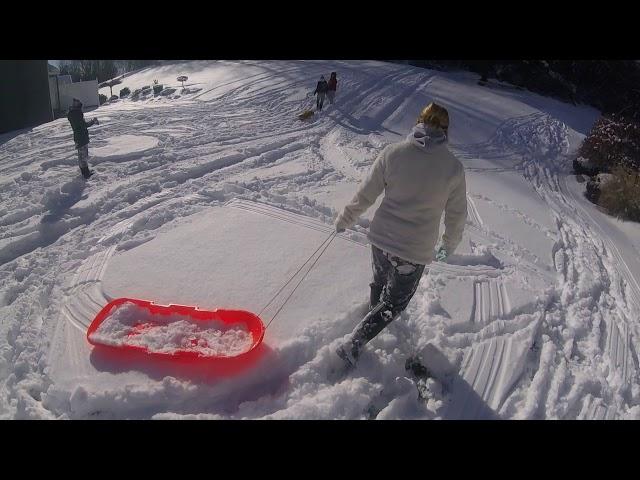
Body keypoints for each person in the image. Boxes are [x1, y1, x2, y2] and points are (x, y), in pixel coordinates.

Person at [333, 102, 467, 367]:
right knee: (394, 303)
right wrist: (448, 245)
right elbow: (456, 215)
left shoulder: (393, 153)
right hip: (413, 251)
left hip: (381, 240)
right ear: (445, 130)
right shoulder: (453, 168)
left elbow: (366, 193)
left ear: (418, 121)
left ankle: (370, 319)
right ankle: (355, 342)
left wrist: (345, 218)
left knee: (379, 283)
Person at [67, 98, 99, 179]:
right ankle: (86, 174)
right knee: (83, 156)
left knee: (81, 155)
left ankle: (85, 172)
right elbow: (84, 125)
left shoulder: (71, 114)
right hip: (81, 137)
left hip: (78, 137)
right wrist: (93, 121)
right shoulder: (77, 114)